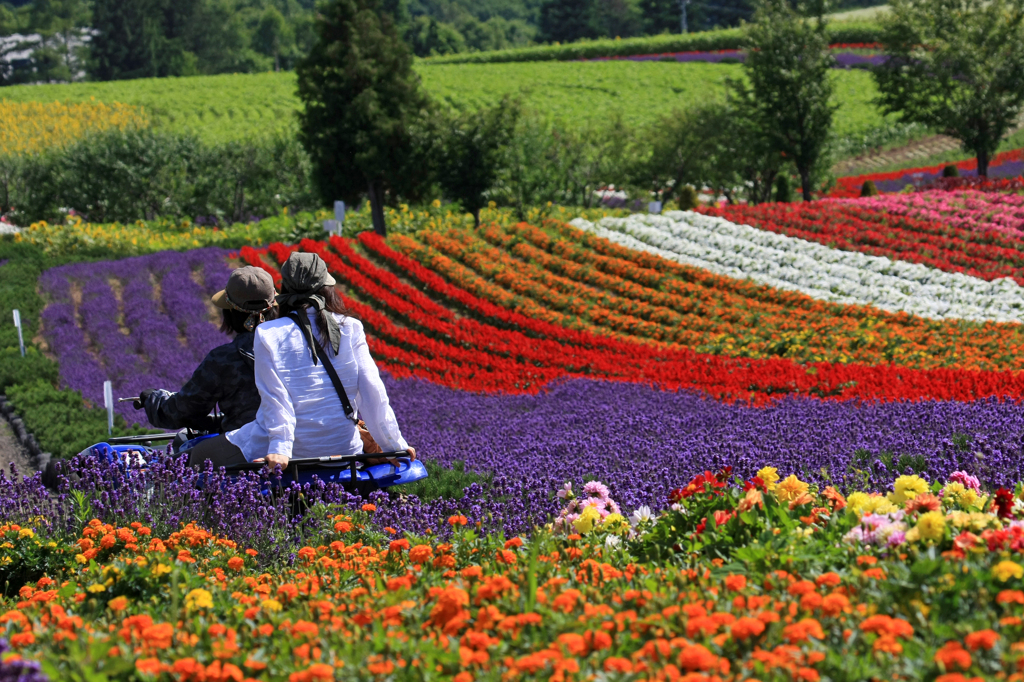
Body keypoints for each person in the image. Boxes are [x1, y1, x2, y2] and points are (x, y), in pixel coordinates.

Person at [187, 252, 415, 470]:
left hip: (294, 450)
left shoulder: (267, 333)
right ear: (327, 288)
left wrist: (281, 448)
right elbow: (373, 392)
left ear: (284, 288)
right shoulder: (351, 327)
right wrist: (394, 445)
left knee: (199, 456)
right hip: (345, 446)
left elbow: (275, 398)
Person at [135, 266, 277, 434]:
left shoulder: (223, 359)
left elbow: (182, 410)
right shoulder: (297, 347)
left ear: (230, 312)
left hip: (246, 448)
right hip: (300, 445)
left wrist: (154, 399)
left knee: (191, 455)